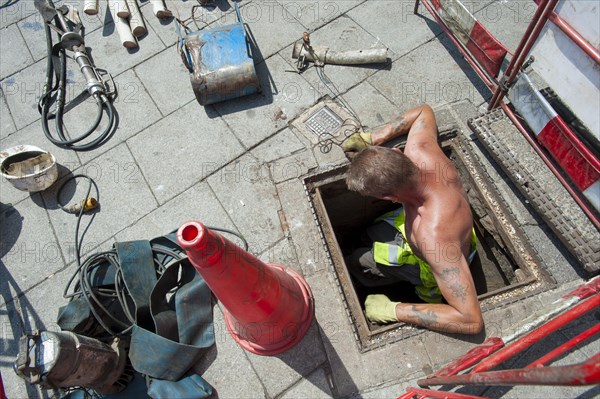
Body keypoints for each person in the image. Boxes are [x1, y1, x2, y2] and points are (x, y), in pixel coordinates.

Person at [342, 104, 483, 335]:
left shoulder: (433, 237)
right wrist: (374, 137)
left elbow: (470, 320)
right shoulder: (420, 149)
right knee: (371, 232)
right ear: (399, 153)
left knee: (358, 262)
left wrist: (394, 310)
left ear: (389, 197)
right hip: (443, 224)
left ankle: (374, 281)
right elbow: (424, 111)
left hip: (437, 258)